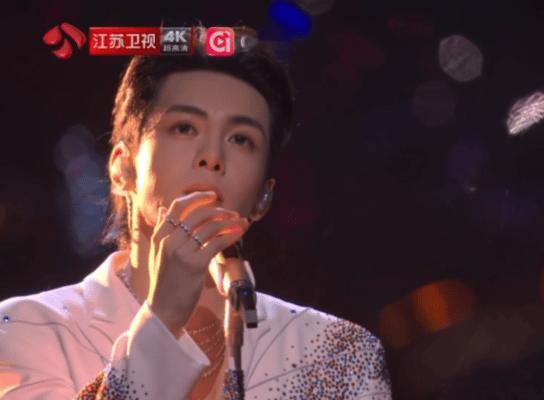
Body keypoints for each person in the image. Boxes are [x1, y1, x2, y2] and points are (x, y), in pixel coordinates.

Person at [0, 26, 391, 399]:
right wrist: (164, 315)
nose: (212, 157)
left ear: (263, 197)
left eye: (241, 139)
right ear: (123, 167)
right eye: (185, 128)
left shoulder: (336, 353)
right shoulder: (30, 329)